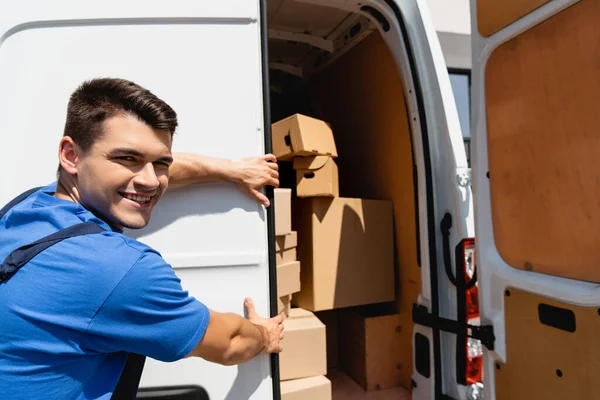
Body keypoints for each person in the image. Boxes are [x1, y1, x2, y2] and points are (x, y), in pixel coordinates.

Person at [0, 77, 284, 399]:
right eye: (128, 159)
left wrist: (229, 170)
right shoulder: (118, 269)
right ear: (71, 156)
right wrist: (264, 335)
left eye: (161, 163)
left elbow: (135, 173)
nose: (151, 180)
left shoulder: (25, 208)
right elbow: (229, 343)